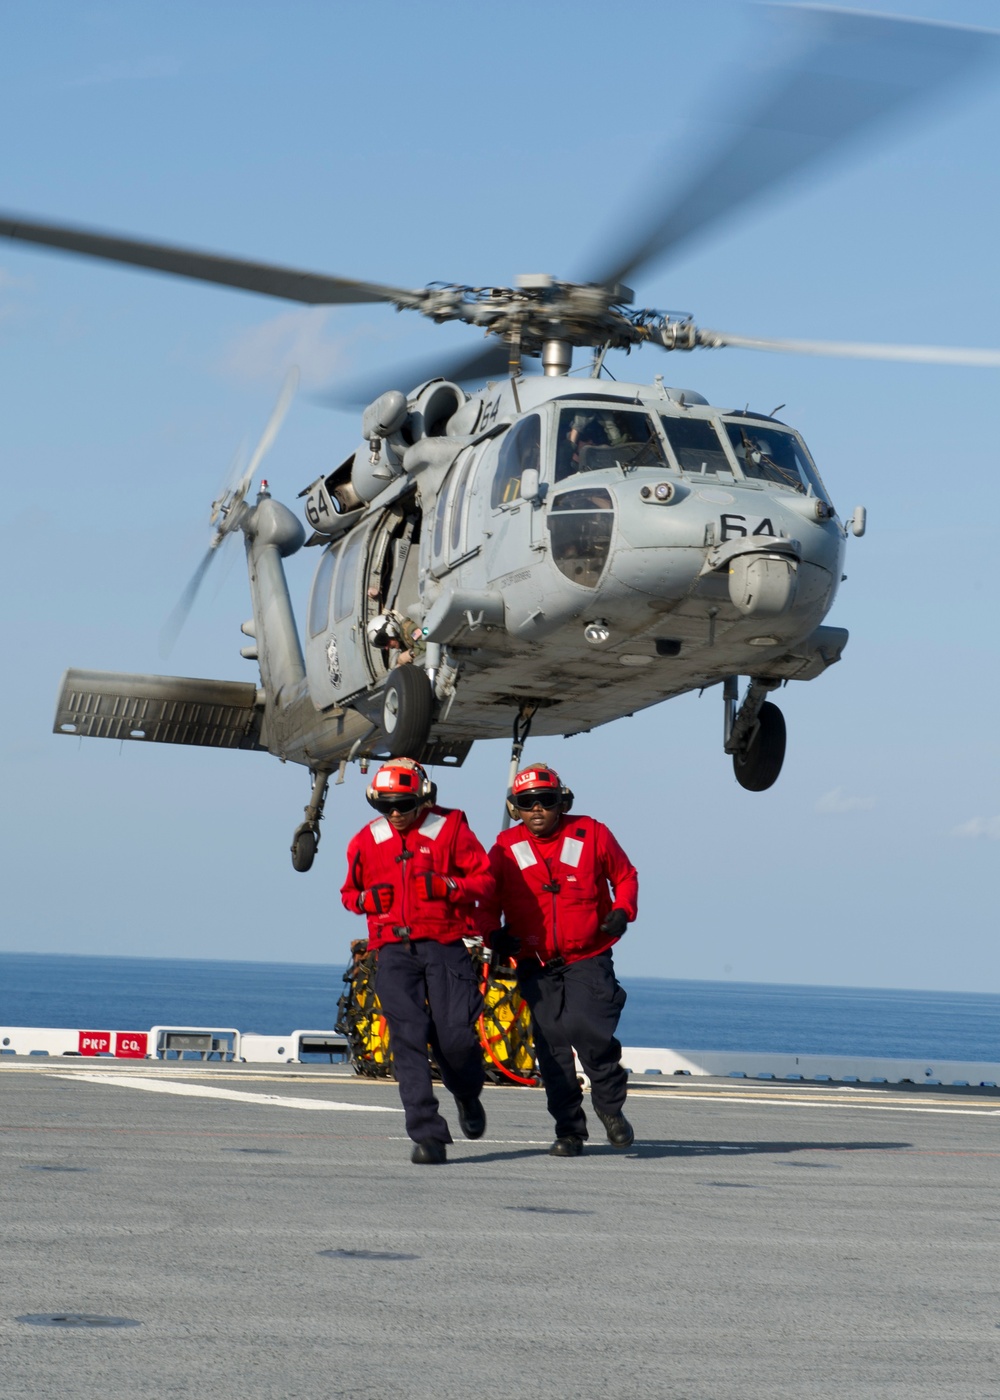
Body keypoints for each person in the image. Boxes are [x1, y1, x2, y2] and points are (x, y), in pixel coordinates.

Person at [480, 763, 639, 1157]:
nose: (537, 810)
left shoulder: (593, 833)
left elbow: (626, 876)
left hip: (589, 955)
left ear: (561, 802)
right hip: (535, 962)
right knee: (550, 1046)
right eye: (527, 803)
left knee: (588, 1029)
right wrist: (492, 934)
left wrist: (623, 911)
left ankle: (610, 1109)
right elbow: (484, 899)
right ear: (516, 808)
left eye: (545, 802)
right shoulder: (503, 848)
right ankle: (569, 1130)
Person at [341, 758, 493, 1165]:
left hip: (445, 948)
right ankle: (428, 1136)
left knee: (455, 1038)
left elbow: (485, 880)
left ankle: (466, 1093)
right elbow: (348, 894)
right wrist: (364, 901)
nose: (394, 813)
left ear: (422, 798)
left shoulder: (453, 828)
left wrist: (448, 886)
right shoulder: (365, 840)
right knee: (406, 1040)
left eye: (403, 805)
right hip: (392, 953)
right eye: (386, 805)